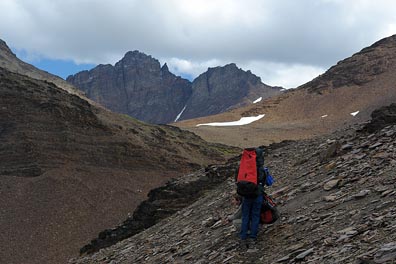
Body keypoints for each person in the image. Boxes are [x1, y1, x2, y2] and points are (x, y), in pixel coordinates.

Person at [239, 147, 265, 250]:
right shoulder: (261, 169)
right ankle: (252, 238)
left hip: (246, 196)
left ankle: (243, 238)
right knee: (255, 216)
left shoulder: (244, 167)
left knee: (245, 216)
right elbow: (266, 181)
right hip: (257, 195)